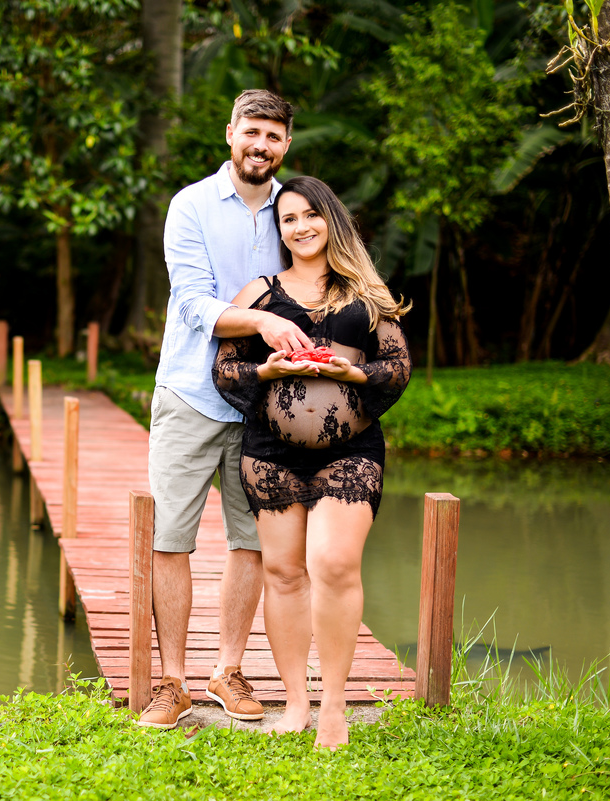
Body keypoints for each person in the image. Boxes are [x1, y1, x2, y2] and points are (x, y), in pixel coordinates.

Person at [138, 89, 316, 730]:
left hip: (265, 404)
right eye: (252, 131)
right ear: (230, 133)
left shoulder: (294, 213)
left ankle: (228, 670)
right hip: (188, 392)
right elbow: (191, 303)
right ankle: (173, 681)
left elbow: (316, 286)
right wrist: (265, 323)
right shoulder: (189, 206)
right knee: (170, 539)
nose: (260, 145)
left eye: (274, 135)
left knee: (253, 540)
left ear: (286, 144)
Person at [212, 175, 412, 746]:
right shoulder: (259, 292)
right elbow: (225, 371)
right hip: (270, 455)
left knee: (333, 563)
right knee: (282, 573)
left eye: (310, 216)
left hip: (350, 453)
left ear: (331, 218)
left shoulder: (366, 291)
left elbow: (397, 367)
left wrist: (355, 373)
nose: (300, 228)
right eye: (288, 220)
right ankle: (297, 701)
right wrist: (268, 371)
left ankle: (334, 706)